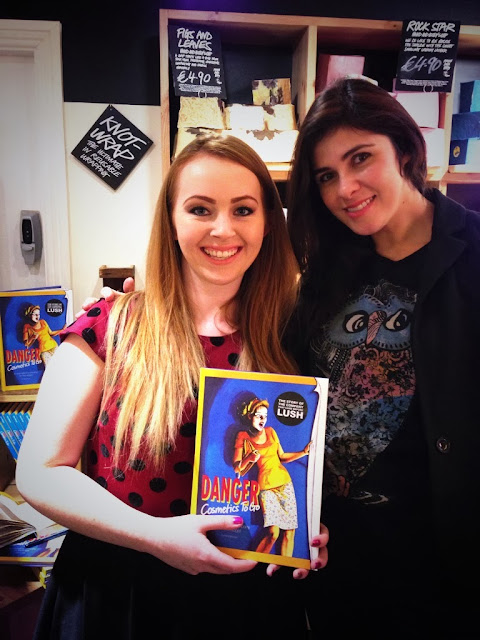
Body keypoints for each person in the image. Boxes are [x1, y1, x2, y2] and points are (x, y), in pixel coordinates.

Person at [16, 133, 328, 640]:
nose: (223, 229)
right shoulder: (110, 325)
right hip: (122, 596)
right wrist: (155, 536)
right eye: (200, 209)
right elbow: (39, 471)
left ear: (269, 222)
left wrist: (309, 528)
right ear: (171, 220)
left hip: (250, 601)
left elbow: (301, 468)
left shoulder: (292, 335)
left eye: (243, 210)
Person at [285, 77, 480, 638]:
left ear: (405, 149)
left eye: (360, 158)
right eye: (326, 176)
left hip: (445, 564)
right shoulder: (325, 271)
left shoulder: (473, 254)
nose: (345, 188)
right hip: (337, 556)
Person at [233, 397, 310, 557]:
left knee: (290, 531)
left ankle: (286, 565)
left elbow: (282, 456)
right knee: (273, 533)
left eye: (265, 416)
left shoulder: (271, 431)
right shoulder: (243, 436)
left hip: (285, 483)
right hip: (267, 488)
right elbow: (237, 468)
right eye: (259, 416)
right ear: (250, 416)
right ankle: (252, 563)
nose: (263, 420)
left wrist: (303, 452)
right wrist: (249, 458)